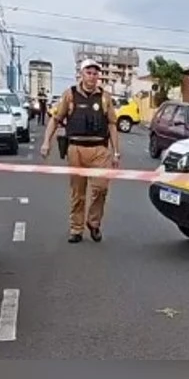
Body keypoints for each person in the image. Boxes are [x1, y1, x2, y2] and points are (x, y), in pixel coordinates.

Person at [40, 59, 122, 243]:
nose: (92, 77)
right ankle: (76, 229)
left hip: (100, 149)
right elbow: (56, 119)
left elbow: (112, 125)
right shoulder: (70, 95)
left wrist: (116, 152)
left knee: (101, 189)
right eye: (88, 73)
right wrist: (46, 142)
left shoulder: (105, 97)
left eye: (95, 73)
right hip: (76, 149)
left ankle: (93, 222)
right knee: (78, 193)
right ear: (81, 74)